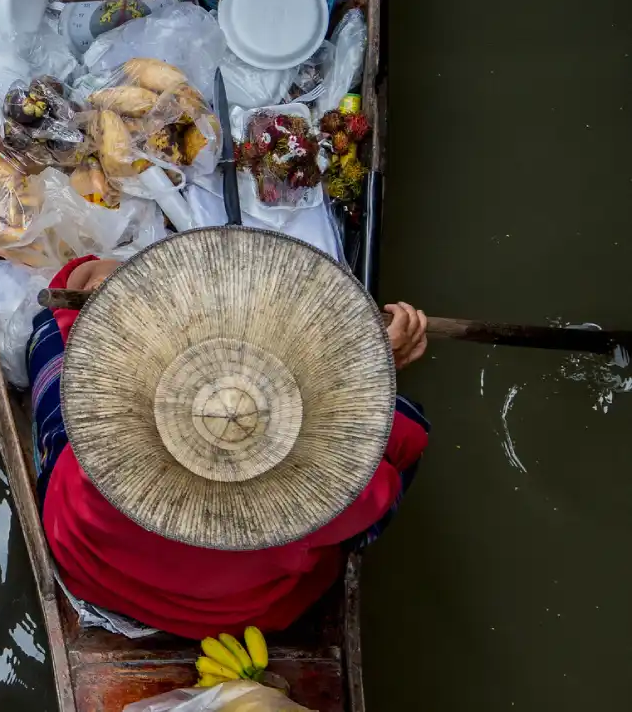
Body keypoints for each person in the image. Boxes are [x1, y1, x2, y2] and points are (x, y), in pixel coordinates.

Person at [25, 234, 431, 639]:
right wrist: (373, 371)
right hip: (225, 618)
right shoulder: (331, 488)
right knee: (406, 426)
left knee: (53, 330)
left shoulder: (111, 398)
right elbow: (401, 450)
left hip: (82, 560)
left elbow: (75, 283)